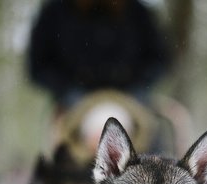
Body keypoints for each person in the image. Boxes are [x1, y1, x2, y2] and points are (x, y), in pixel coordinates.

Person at [26, 0, 171, 112]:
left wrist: (136, 89)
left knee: (151, 133)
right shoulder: (54, 14)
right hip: (72, 101)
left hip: (130, 97)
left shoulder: (138, 13)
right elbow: (38, 66)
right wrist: (68, 90)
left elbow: (159, 60)